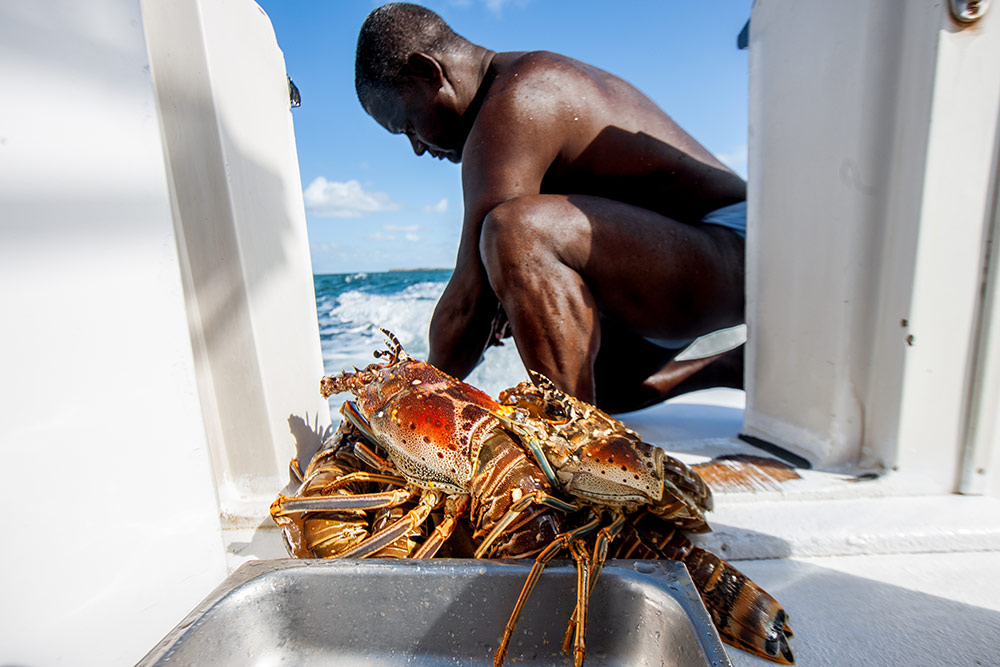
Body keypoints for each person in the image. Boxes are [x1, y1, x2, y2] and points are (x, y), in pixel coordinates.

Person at [355, 3, 747, 413]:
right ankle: (732, 366)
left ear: (427, 71)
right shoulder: (516, 87)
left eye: (408, 127)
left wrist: (410, 407)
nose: (417, 147)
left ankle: (576, 456)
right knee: (587, 381)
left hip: (734, 249)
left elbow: (471, 301)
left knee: (515, 232)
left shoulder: (519, 98)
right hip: (676, 265)